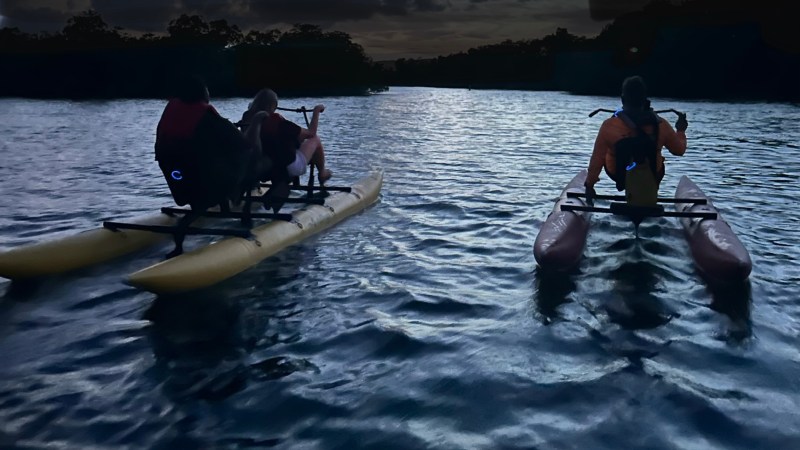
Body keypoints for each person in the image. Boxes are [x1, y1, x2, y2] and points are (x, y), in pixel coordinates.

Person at [154, 74, 268, 257]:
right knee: (250, 157)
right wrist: (257, 121)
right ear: (201, 93)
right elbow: (245, 144)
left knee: (215, 161)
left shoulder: (174, 111)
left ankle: (224, 204)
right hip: (203, 184)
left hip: (177, 179)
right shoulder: (208, 118)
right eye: (206, 89)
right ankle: (238, 204)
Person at [584, 75, 688, 205]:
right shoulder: (661, 124)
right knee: (658, 157)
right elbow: (679, 150)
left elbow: (596, 160)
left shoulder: (608, 126)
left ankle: (630, 190)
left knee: (604, 154)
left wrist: (589, 185)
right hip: (652, 174)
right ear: (645, 100)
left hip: (619, 175)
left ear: (623, 99)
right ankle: (647, 191)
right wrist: (681, 131)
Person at [240, 88, 332, 188]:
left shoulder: (247, 119)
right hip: (287, 166)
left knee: (301, 144)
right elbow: (311, 133)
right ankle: (322, 174)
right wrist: (316, 111)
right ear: (273, 106)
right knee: (315, 140)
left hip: (262, 164)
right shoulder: (278, 122)